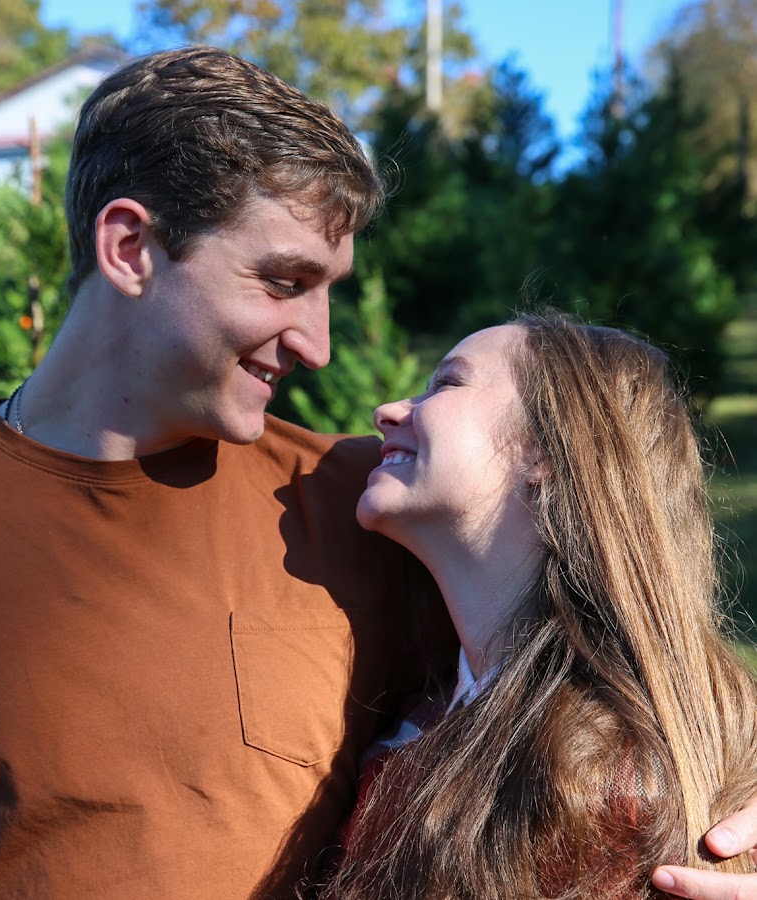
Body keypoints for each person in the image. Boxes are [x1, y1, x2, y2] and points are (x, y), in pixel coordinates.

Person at [0, 45, 754, 900]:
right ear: (130, 248)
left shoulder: (365, 503)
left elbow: (636, 656)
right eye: (285, 282)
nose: (319, 347)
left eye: (332, 289)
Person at [317, 313, 757, 900]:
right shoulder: (426, 707)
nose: (388, 411)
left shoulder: (611, 780)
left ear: (548, 449)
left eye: (446, 383)